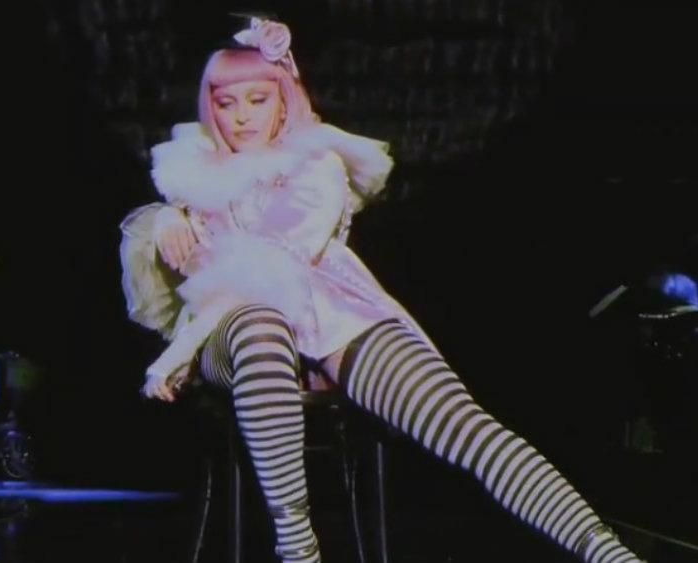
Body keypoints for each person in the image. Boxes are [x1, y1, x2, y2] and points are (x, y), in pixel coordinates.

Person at [120, 16, 647, 563]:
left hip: (328, 310)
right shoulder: (192, 170)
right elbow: (207, 276)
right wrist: (168, 220)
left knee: (461, 424)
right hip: (237, 330)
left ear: (284, 99)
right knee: (260, 325)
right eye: (226, 102)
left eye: (258, 99)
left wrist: (173, 357)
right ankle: (298, 548)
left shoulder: (315, 165)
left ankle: (605, 552)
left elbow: (269, 264)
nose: (242, 116)